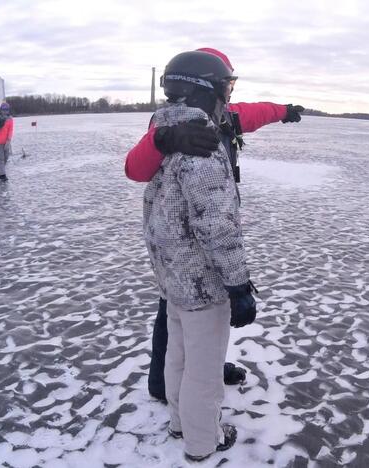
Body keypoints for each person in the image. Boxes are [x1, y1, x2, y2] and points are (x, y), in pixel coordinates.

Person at [126, 47, 304, 403]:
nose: (231, 91)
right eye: (227, 82)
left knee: (205, 319)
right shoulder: (170, 123)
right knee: (175, 313)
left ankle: (206, 365)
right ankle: (164, 384)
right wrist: (163, 140)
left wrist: (284, 111)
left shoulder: (225, 115)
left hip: (202, 230)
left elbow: (255, 112)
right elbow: (135, 169)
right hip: (182, 240)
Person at [143, 50, 259, 461]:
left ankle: (179, 423)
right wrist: (238, 285)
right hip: (202, 280)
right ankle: (202, 443)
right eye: (226, 87)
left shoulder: (163, 134)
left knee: (178, 354)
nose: (228, 96)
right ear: (205, 88)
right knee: (205, 371)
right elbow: (217, 225)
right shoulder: (203, 145)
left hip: (172, 274)